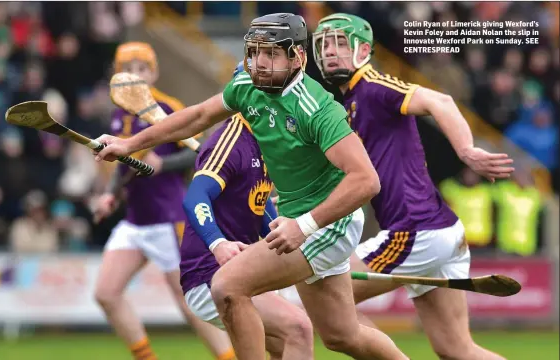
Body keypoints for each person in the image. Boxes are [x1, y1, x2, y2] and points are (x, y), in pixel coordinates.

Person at [93, 13, 409, 360]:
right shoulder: (248, 87)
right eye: (255, 52)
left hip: (327, 222)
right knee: (342, 336)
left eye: (271, 54)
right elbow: (197, 117)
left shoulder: (317, 107)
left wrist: (303, 226)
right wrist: (129, 144)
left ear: (297, 58)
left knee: (229, 285)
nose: (259, 62)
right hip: (298, 218)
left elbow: (366, 180)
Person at [312, 13, 514, 360]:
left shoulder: (373, 87)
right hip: (440, 230)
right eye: (325, 44)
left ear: (363, 50)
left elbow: (441, 101)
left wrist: (466, 150)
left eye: (340, 43)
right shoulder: (347, 105)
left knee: (328, 305)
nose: (331, 51)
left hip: (414, 231)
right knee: (457, 349)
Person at [91, 42, 235, 360]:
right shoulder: (119, 115)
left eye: (141, 69)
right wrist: (110, 196)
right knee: (105, 293)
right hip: (136, 221)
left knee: (190, 301)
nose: (134, 76)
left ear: (153, 73)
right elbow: (125, 163)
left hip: (170, 219)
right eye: (127, 70)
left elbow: (195, 152)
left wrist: (163, 164)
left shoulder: (168, 107)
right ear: (117, 75)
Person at [180, 61, 315, 360]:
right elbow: (195, 198)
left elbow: (260, 206)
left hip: (243, 270)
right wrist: (218, 244)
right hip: (209, 273)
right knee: (298, 329)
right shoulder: (230, 141)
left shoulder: (266, 141)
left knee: (284, 347)